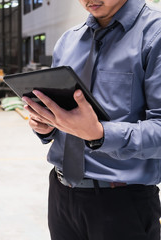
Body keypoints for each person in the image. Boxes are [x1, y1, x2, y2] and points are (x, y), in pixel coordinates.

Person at [22, 0, 161, 239]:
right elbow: (64, 116)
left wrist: (100, 134)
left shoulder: (154, 35)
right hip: (61, 192)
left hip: (122, 202)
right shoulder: (68, 41)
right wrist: (46, 126)